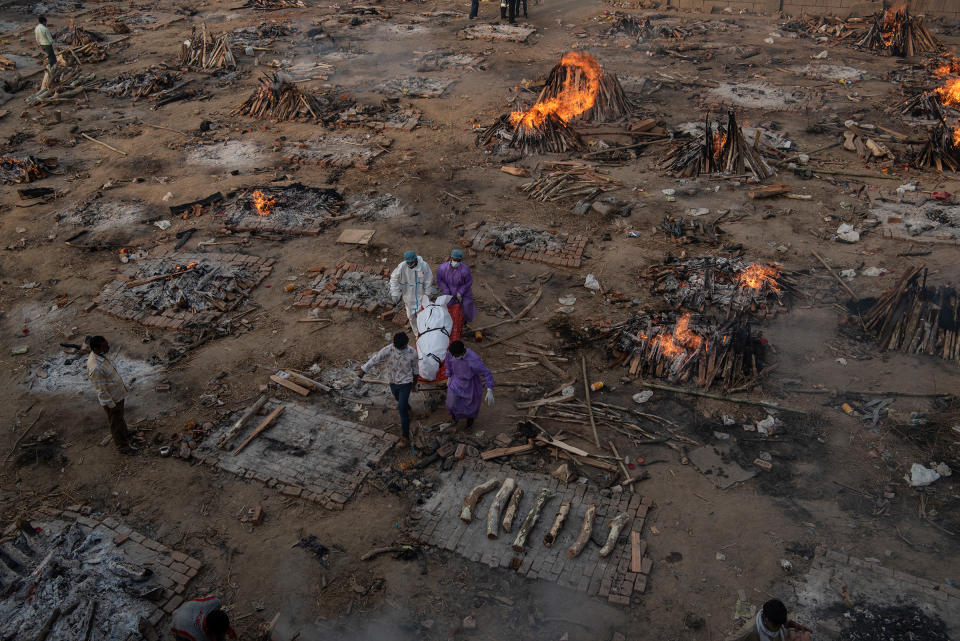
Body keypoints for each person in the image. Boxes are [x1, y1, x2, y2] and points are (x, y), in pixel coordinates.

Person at [359, 332, 419, 448]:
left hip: (406, 382)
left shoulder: (412, 353)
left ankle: (405, 437)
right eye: (399, 348)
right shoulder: (388, 350)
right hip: (393, 382)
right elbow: (374, 360)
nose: (402, 349)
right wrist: (362, 372)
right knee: (398, 399)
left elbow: (416, 370)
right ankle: (409, 409)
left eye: (403, 347)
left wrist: (414, 384)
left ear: (406, 344)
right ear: (395, 345)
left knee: (401, 409)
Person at [86, 336, 136, 455]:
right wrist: (112, 406)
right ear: (97, 349)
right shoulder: (96, 368)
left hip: (117, 395)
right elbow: (101, 390)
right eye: (105, 347)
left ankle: (126, 433)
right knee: (115, 423)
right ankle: (122, 446)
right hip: (112, 400)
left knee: (119, 418)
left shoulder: (99, 356)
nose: (108, 348)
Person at [444, 340, 494, 428]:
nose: (454, 357)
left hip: (470, 385)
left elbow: (486, 373)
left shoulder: (474, 359)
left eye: (456, 356)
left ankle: (469, 422)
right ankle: (455, 418)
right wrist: (449, 376)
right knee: (451, 403)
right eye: (453, 356)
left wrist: (489, 389)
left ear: (462, 352)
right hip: (455, 381)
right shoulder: (450, 353)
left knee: (470, 407)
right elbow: (448, 363)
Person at [389, 250, 433, 339]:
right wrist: (395, 292)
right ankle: (417, 334)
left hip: (421, 295)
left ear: (416, 259)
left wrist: (427, 293)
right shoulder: (402, 266)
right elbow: (393, 278)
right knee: (411, 317)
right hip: (408, 295)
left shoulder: (424, 266)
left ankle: (425, 332)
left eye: (411, 262)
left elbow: (429, 279)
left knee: (423, 315)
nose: (410, 265)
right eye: (408, 263)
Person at [725, 599, 812, 641]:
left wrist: (793, 624)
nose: (778, 628)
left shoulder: (778, 615)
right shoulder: (750, 630)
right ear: (765, 618)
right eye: (775, 625)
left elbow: (785, 621)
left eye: (779, 625)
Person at [435, 249, 476, 325]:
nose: (456, 262)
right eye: (455, 260)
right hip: (449, 291)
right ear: (451, 258)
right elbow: (440, 280)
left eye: (458, 260)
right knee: (449, 307)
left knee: (466, 306)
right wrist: (445, 290)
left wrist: (461, 292)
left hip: (464, 291)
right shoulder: (442, 268)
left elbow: (468, 282)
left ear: (461, 260)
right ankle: (451, 321)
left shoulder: (465, 270)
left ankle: (464, 321)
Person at [171, 595, 236, 641]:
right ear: (208, 630)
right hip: (178, 624)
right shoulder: (198, 636)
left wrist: (228, 629)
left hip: (187, 608)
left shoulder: (214, 603)